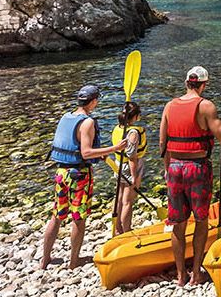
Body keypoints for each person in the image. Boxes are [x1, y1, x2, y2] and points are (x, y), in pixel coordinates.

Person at [41, 85, 127, 270]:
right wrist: (115, 148)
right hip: (79, 176)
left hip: (61, 173)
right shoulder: (87, 122)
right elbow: (86, 152)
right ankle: (73, 262)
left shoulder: (66, 116)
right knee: (79, 219)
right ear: (94, 101)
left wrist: (101, 155)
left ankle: (45, 260)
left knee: (57, 216)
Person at [159, 66, 221, 286]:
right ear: (203, 85)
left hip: (174, 168)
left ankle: (181, 276)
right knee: (201, 221)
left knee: (177, 223)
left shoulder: (169, 106)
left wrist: (166, 168)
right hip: (197, 168)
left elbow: (162, 143)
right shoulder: (206, 106)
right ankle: (196, 274)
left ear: (185, 83)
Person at [110, 100, 147, 235]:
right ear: (135, 116)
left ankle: (118, 229)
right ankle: (127, 231)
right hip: (129, 168)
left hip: (118, 165)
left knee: (119, 197)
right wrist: (134, 177)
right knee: (127, 202)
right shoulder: (133, 133)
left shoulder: (118, 128)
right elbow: (132, 157)